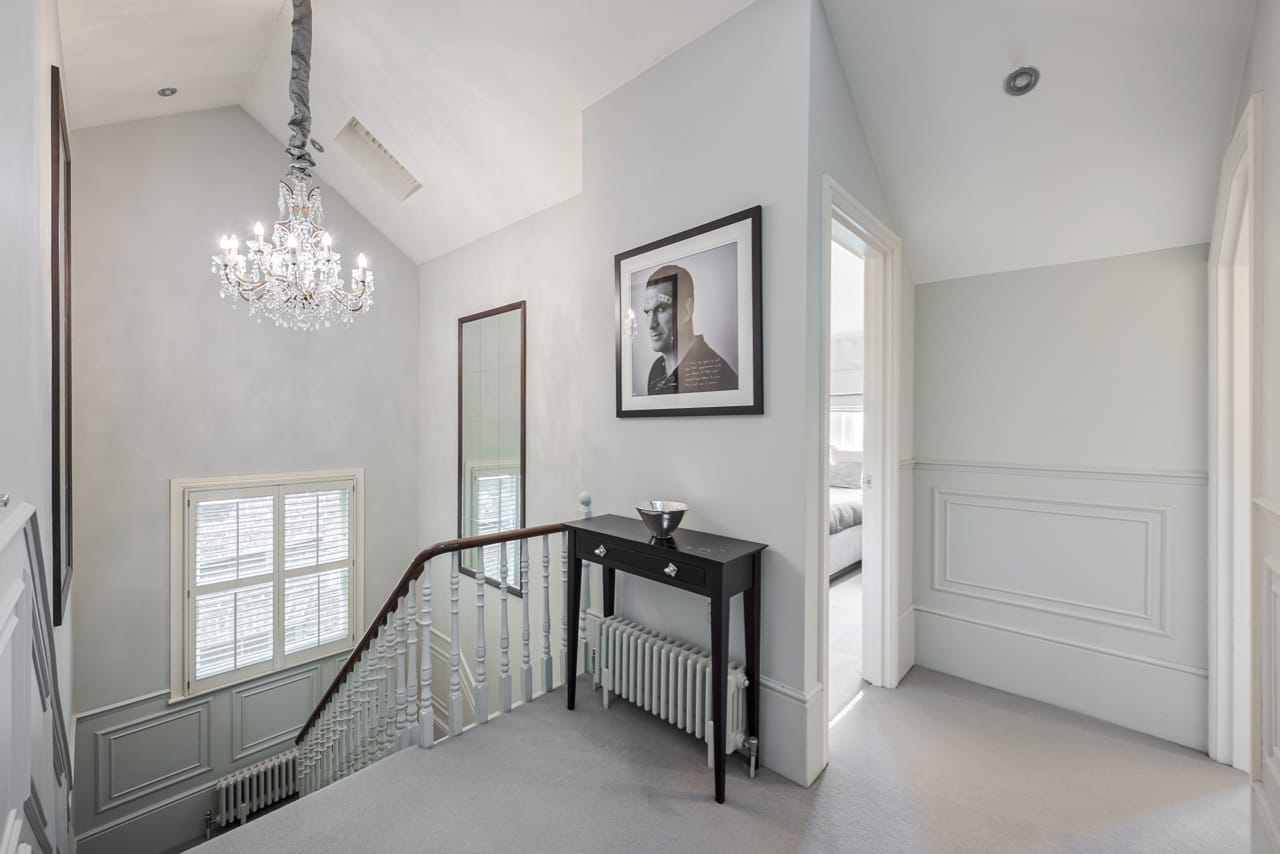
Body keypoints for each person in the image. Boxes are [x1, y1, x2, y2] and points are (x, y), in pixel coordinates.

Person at [642, 264, 738, 395]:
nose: (651, 324)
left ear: (686, 310)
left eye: (661, 309)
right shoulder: (656, 371)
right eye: (647, 312)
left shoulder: (720, 378)